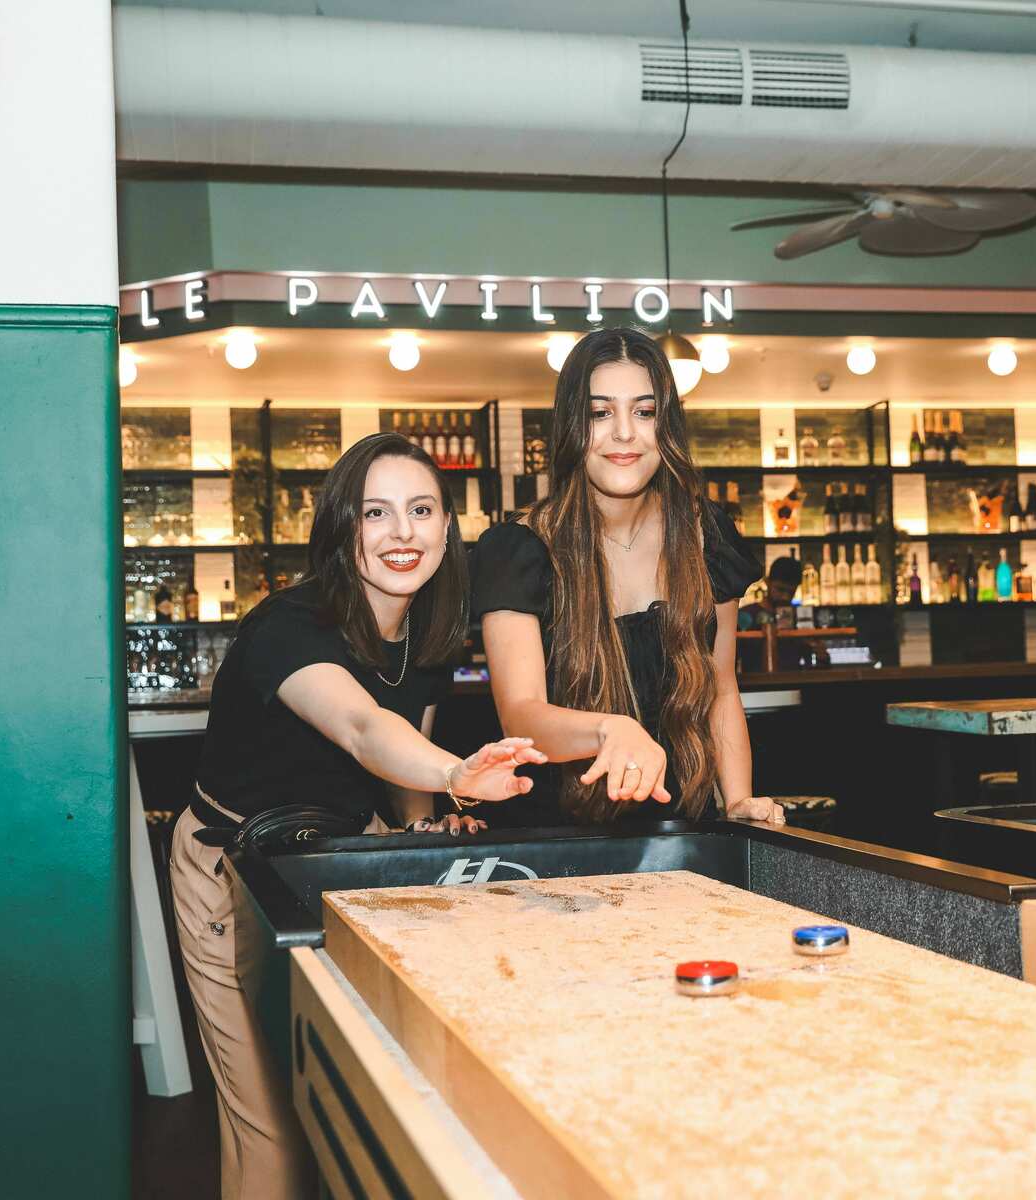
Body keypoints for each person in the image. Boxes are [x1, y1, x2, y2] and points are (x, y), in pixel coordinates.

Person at [170, 432, 546, 1200]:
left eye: (420, 510)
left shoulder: (430, 633)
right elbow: (364, 728)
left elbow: (403, 754)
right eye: (377, 513)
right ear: (343, 529)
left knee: (357, 1108)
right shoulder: (289, 625)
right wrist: (455, 776)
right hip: (234, 872)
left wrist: (426, 818)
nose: (402, 533)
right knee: (272, 1128)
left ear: (448, 526)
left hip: (340, 862)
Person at [471, 325, 785, 826]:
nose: (624, 433)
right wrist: (608, 730)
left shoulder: (707, 537)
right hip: (561, 840)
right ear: (573, 426)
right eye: (600, 413)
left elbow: (722, 689)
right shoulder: (519, 550)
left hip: (684, 827)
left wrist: (739, 798)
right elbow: (521, 715)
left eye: (644, 412)